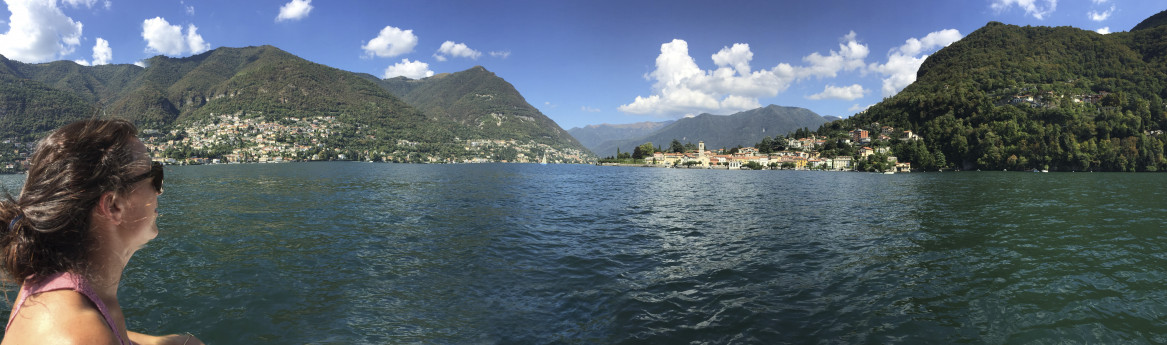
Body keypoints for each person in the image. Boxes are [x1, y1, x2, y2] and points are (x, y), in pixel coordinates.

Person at [0, 119, 203, 345]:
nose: (160, 192)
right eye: (155, 177)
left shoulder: (50, 282)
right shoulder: (78, 333)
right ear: (114, 206)